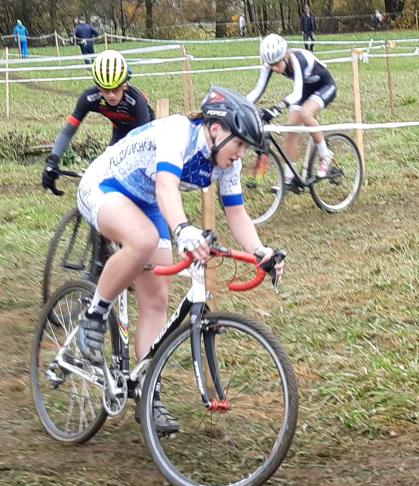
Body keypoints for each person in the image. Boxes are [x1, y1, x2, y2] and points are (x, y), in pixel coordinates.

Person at [72, 87, 283, 433]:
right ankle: (94, 314)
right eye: (239, 144)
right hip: (106, 185)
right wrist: (183, 230)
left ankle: (147, 392)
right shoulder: (178, 133)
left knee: (157, 299)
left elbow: (236, 212)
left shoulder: (227, 159)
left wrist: (260, 251)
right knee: (142, 240)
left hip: (147, 200)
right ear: (216, 129)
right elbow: (166, 187)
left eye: (246, 147)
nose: (241, 154)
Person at [42, 51, 155, 193]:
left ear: (124, 84)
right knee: (105, 172)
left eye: (116, 89)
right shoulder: (89, 97)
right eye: (106, 90)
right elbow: (68, 131)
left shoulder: (136, 101)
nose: (111, 95)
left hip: (144, 132)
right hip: (119, 131)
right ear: (98, 86)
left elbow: (142, 142)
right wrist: (53, 160)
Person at [248, 34, 337, 187]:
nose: (274, 68)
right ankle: (290, 177)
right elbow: (257, 90)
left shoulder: (297, 60)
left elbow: (296, 94)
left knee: (305, 114)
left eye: (277, 64)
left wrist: (276, 109)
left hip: (325, 86)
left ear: (285, 56)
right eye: (271, 65)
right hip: (306, 89)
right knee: (290, 130)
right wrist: (241, 105)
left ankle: (325, 155)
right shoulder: (270, 65)